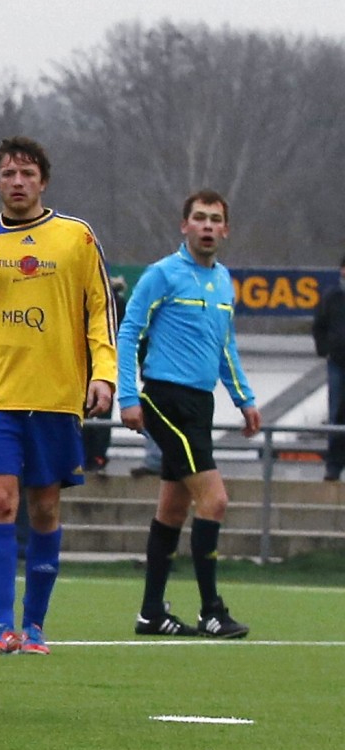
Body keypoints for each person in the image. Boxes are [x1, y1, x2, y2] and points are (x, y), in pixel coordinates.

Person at [0, 137, 117, 656]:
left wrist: (105, 374)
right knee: (1, 502)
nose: (17, 182)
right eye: (8, 173)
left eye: (27, 174)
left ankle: (34, 626)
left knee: (46, 509)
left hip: (56, 394)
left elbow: (100, 310)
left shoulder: (75, 237)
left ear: (43, 181)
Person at [117, 191, 260, 638]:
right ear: (184, 226)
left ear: (225, 229)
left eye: (215, 219)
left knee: (173, 508)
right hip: (165, 399)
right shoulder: (162, 275)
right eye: (199, 218)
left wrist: (245, 399)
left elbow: (226, 347)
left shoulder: (223, 281)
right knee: (214, 499)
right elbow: (129, 331)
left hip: (200, 404)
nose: (207, 226)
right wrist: (127, 396)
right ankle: (211, 610)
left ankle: (151, 612)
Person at [83, 275, 129, 472]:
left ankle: (88, 455)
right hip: (104, 364)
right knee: (100, 412)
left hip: (91, 363)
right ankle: (98, 455)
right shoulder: (116, 303)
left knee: (87, 411)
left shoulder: (104, 303)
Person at [312, 254, 345, 482]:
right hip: (338, 365)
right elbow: (319, 327)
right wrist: (326, 350)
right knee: (336, 416)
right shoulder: (331, 297)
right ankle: (333, 467)